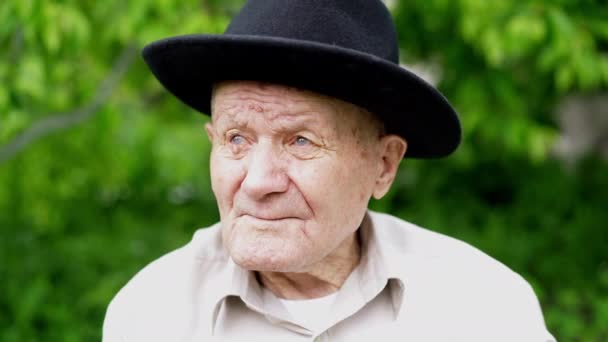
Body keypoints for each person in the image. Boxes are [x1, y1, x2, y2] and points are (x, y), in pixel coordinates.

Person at [103, 0, 556, 340]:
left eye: (300, 141)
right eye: (236, 139)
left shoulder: (484, 309)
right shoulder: (150, 313)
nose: (258, 182)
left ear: (383, 165)